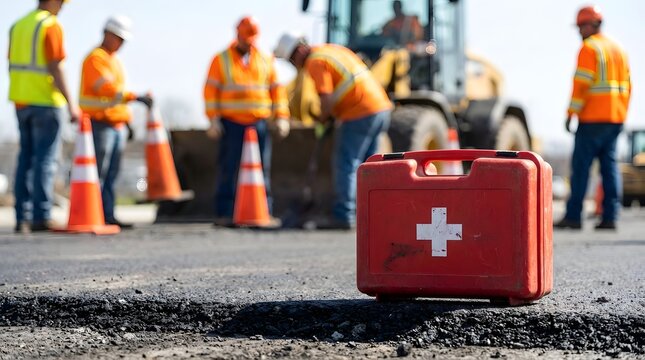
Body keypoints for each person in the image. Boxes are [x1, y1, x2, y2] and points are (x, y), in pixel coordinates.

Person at [274, 33, 393, 229]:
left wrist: (323, 119)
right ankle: (371, 214)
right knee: (370, 167)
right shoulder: (332, 50)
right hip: (381, 108)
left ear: (299, 51)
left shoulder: (315, 61)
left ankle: (344, 215)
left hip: (359, 112)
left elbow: (326, 100)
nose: (295, 65)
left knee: (346, 163)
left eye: (292, 60)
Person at [204, 16, 290, 227]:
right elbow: (210, 91)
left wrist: (282, 117)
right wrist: (213, 119)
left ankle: (263, 211)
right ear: (238, 36)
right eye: (246, 38)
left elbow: (276, 90)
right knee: (228, 168)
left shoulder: (264, 59)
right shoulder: (221, 59)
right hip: (231, 124)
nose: (249, 43)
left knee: (262, 168)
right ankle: (225, 213)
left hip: (258, 123)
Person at [555, 6, 631, 231]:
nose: (579, 31)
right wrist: (620, 114)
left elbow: (581, 85)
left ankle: (573, 216)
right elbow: (629, 86)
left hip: (592, 119)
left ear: (592, 25)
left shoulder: (589, 48)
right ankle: (610, 217)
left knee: (581, 168)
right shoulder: (618, 49)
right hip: (615, 118)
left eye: (581, 26)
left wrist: (570, 114)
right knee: (609, 168)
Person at [8, 0, 81, 233]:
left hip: (21, 100)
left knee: (25, 159)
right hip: (45, 102)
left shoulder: (18, 25)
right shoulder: (50, 25)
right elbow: (55, 66)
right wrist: (71, 104)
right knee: (46, 160)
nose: (63, 6)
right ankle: (41, 215)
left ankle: (22, 216)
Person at [79, 16, 153, 228]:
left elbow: (115, 98)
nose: (121, 44)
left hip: (116, 124)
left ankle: (107, 214)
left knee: (111, 174)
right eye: (119, 38)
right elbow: (107, 89)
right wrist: (135, 97)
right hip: (100, 123)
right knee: (99, 173)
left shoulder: (114, 61)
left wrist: (126, 121)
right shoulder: (96, 58)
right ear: (107, 34)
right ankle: (95, 215)